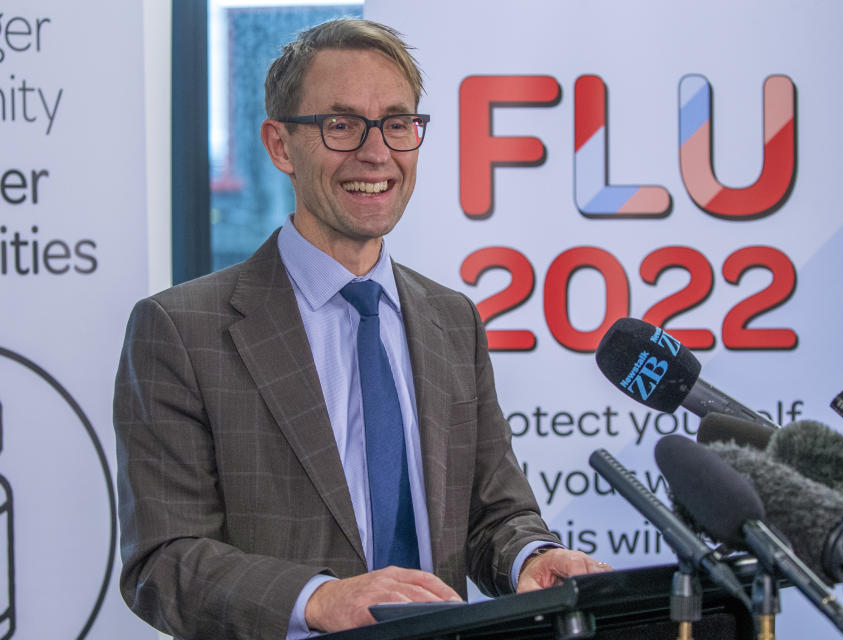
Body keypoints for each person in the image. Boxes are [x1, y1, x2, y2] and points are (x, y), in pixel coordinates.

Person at [114, 18, 608, 640]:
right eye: (340, 124)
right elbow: (163, 562)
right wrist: (319, 600)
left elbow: (493, 513)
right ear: (280, 145)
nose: (376, 153)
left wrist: (530, 557)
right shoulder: (181, 331)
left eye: (397, 124)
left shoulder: (451, 319)